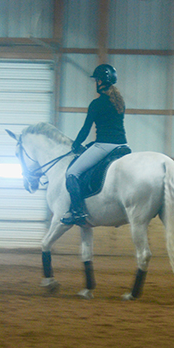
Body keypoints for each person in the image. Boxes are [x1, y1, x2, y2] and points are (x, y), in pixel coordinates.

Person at [61, 64, 130, 226]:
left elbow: (86, 129)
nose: (95, 83)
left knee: (72, 172)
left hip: (104, 146)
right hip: (122, 146)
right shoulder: (119, 103)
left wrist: (76, 144)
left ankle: (77, 212)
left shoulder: (96, 103)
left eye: (96, 80)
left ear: (100, 82)